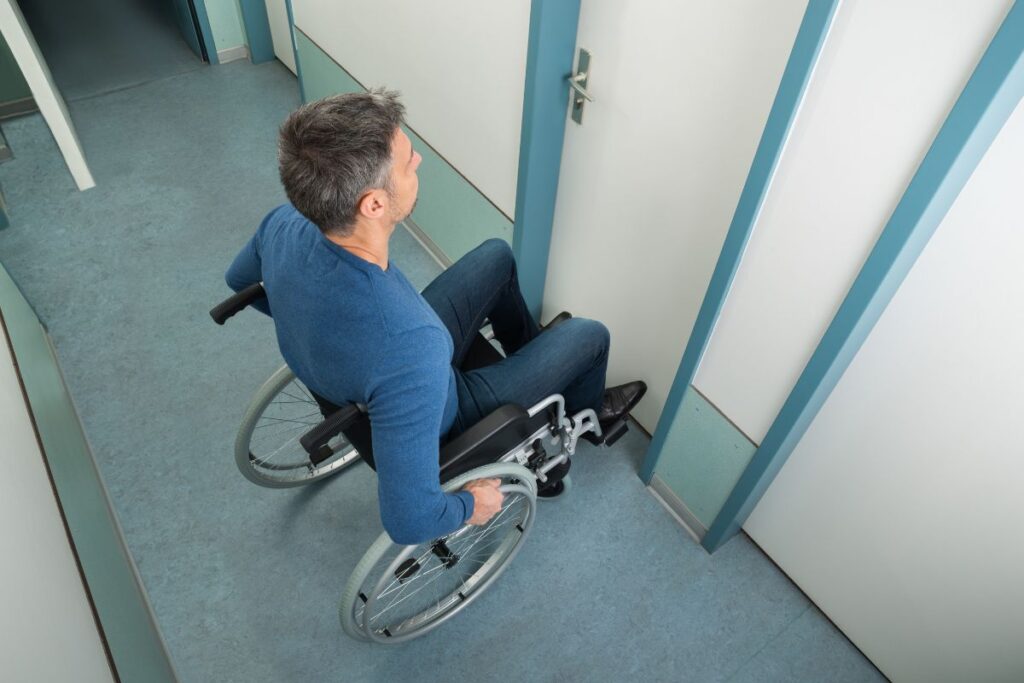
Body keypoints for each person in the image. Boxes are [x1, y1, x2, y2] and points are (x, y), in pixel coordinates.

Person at [225, 90, 646, 545]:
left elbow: (238, 280)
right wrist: (472, 505)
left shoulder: (282, 225)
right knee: (591, 335)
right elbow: (408, 520)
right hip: (446, 401)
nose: (419, 161)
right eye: (407, 162)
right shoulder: (412, 341)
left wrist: (309, 321)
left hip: (378, 367)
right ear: (374, 205)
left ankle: (533, 356)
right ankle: (583, 425)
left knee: (497, 257)